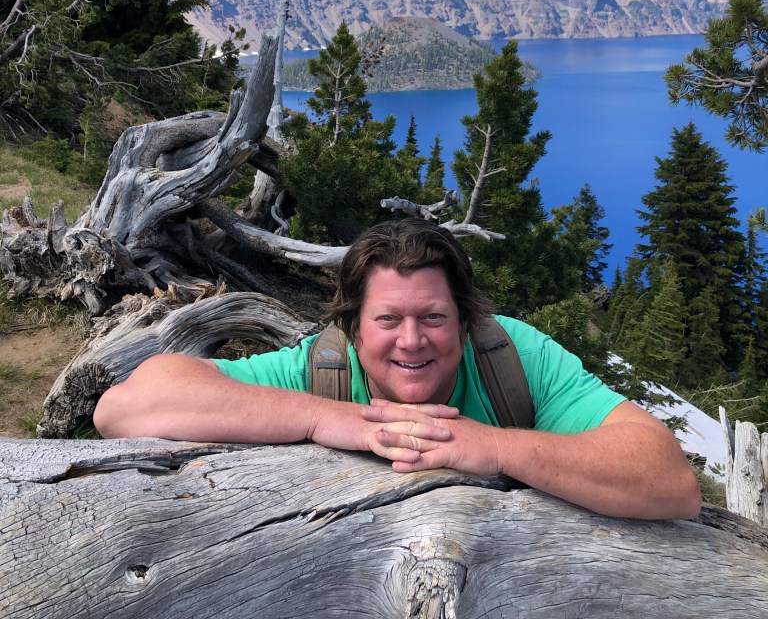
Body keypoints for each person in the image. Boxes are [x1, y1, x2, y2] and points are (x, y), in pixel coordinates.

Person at [94, 218, 701, 520]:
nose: (412, 341)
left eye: (433, 317)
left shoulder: (514, 357)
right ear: (354, 328)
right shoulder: (323, 371)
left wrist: (495, 447)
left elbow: (670, 481)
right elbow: (123, 408)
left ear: (464, 321)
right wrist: (324, 419)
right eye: (387, 320)